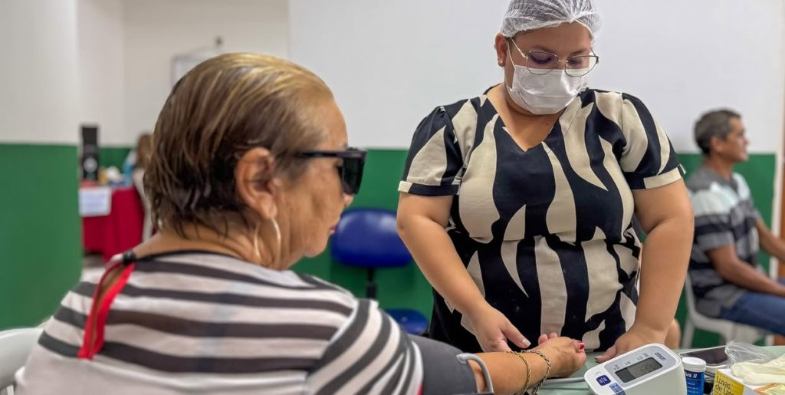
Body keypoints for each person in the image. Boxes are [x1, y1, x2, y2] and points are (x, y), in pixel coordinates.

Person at [16, 53, 586, 395]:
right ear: (261, 180)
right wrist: (545, 361)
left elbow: (435, 366)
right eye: (344, 166)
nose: (347, 190)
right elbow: (461, 381)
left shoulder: (89, 301)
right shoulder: (324, 326)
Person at [397, 0, 694, 363]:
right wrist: (475, 310)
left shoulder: (619, 119)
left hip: (605, 348)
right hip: (485, 348)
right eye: (541, 58)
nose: (559, 72)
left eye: (577, 60)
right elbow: (418, 219)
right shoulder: (454, 128)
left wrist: (650, 327)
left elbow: (671, 218)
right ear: (503, 49)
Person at [687, 109, 785, 335]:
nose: (747, 141)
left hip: (747, 286)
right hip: (723, 296)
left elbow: (766, 239)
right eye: (740, 135)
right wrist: (780, 291)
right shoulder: (705, 194)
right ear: (718, 144)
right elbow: (729, 267)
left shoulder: (737, 182)